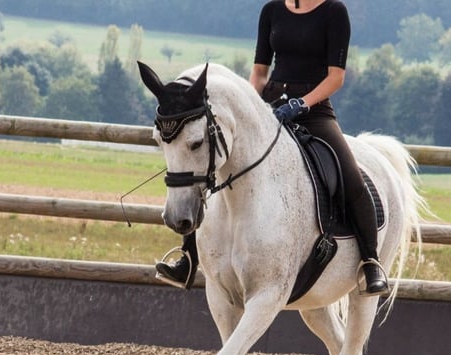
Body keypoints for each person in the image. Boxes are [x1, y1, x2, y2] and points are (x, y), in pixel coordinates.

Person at [156, 0, 389, 295]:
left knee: (351, 178)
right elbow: (260, 72)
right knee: (211, 168)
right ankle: (189, 257)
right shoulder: (272, 11)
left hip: (314, 111)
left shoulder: (335, 12)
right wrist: (251, 109)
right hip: (270, 108)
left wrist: (302, 103)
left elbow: (335, 77)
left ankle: (370, 261)